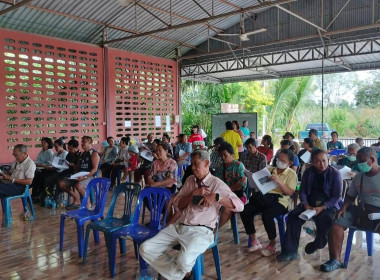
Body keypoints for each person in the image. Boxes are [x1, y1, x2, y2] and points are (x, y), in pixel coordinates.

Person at [139, 149, 244, 280]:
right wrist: (193, 194)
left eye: (196, 164)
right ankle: (182, 274)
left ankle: (180, 273)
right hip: (179, 227)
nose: (193, 168)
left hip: (201, 231)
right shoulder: (190, 180)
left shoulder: (216, 184)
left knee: (183, 260)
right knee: (145, 248)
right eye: (191, 164)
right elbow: (177, 204)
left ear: (206, 163)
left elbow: (240, 206)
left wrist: (217, 197)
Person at [320, 147, 380, 272]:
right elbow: (350, 197)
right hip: (362, 211)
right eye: (357, 161)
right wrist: (344, 207)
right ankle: (335, 260)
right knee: (337, 221)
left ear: (372, 160)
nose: (358, 164)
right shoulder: (359, 177)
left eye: (361, 161)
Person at [277, 149, 343, 262]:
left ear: (328, 160)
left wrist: (323, 207)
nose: (321, 164)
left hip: (328, 205)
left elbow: (336, 196)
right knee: (293, 216)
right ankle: (290, 251)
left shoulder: (335, 174)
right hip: (309, 204)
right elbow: (302, 191)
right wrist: (306, 204)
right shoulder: (309, 172)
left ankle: (319, 242)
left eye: (324, 160)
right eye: (317, 161)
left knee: (326, 218)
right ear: (312, 162)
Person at [241, 149, 297, 256]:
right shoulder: (269, 169)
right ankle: (254, 241)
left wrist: (278, 181)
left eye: (283, 160)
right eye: (278, 159)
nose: (279, 161)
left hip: (280, 201)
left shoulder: (291, 174)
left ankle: (272, 243)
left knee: (267, 215)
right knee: (245, 210)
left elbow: (290, 192)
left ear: (289, 163)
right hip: (265, 197)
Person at [58, 136, 100, 209]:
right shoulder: (82, 154)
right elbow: (78, 167)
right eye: (82, 142)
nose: (82, 144)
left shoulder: (94, 154)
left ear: (91, 143)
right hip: (79, 175)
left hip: (89, 176)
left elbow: (94, 169)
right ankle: (77, 199)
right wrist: (75, 175)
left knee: (78, 185)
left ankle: (88, 203)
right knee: (61, 183)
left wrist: (84, 177)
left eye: (84, 142)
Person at [215, 142, 247, 227]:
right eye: (221, 155)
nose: (222, 157)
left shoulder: (238, 165)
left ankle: (215, 231)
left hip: (236, 195)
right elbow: (215, 182)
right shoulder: (219, 167)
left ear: (232, 154)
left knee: (227, 208)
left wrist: (226, 190)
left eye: (225, 155)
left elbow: (241, 184)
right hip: (221, 194)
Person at [40, 138, 68, 205]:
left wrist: (53, 167)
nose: (55, 148)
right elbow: (52, 163)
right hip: (54, 170)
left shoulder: (65, 154)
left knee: (49, 179)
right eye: (54, 147)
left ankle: (52, 197)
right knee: (42, 176)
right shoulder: (55, 154)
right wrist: (49, 166)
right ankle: (44, 196)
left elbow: (63, 167)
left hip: (61, 172)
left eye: (56, 146)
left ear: (61, 145)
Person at [31, 137, 55, 201]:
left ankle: (38, 194)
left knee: (37, 176)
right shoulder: (41, 151)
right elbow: (37, 161)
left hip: (45, 169)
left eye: (44, 142)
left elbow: (49, 164)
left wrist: (41, 164)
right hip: (38, 168)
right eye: (42, 142)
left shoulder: (50, 152)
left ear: (48, 144)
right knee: (33, 175)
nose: (42, 144)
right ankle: (35, 194)